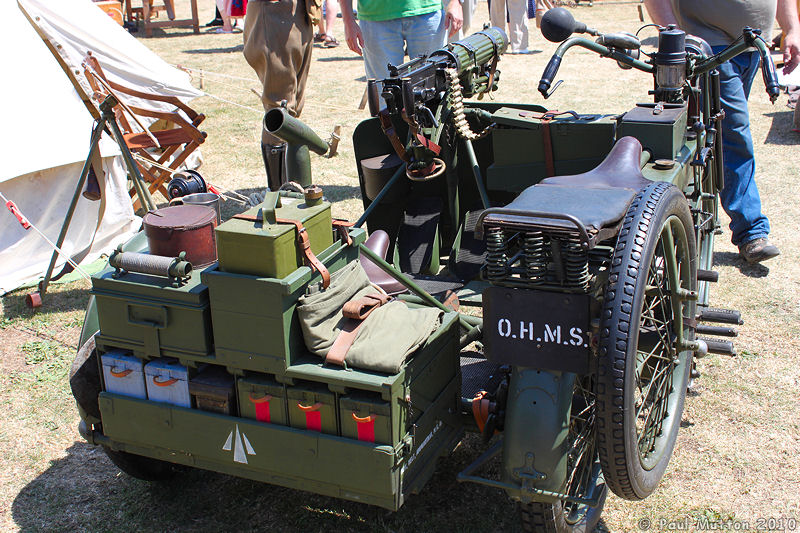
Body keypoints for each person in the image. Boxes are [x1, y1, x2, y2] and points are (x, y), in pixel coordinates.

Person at [645, 0, 800, 263]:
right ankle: (750, 230)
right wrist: (672, 30)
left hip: (751, 45)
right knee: (732, 134)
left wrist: (792, 30)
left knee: (711, 136)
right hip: (710, 46)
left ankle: (685, 220)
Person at [243, 0, 314, 190]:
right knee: (280, 108)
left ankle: (290, 189)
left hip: (301, 11)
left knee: (293, 107)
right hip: (275, 12)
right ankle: (279, 192)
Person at [340, 0, 463, 80]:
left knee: (434, 89)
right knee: (385, 97)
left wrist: (455, 2)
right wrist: (348, 20)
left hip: (428, 13)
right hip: (375, 16)